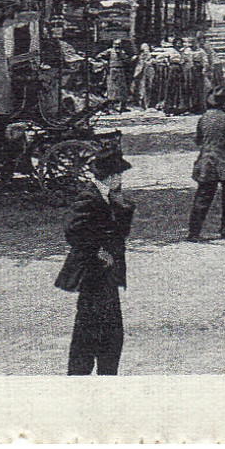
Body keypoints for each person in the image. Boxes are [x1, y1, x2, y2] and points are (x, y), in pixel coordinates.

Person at [57, 148, 134, 375]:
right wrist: (96, 250)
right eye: (119, 174)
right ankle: (83, 374)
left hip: (106, 274)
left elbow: (120, 232)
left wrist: (123, 208)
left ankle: (104, 372)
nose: (120, 179)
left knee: (108, 330)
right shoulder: (89, 197)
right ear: (110, 176)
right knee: (90, 329)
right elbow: (73, 231)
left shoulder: (109, 197)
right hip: (92, 274)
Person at [188, 86, 225, 240]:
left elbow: (198, 140)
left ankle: (194, 232)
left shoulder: (204, 118)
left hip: (206, 161)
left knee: (202, 197)